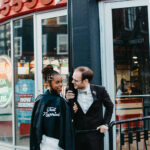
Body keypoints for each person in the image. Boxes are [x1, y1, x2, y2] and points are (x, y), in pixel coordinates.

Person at [66, 66, 114, 150]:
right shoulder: (70, 90)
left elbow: (110, 106)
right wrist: (66, 101)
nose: (72, 82)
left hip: (95, 135)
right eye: (72, 79)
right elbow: (67, 111)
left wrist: (105, 124)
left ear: (86, 81)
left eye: (76, 80)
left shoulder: (100, 90)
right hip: (77, 134)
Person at [30, 65, 75, 150]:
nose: (61, 85)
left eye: (62, 82)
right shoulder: (41, 100)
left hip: (59, 144)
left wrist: (69, 104)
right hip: (45, 143)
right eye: (57, 82)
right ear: (48, 83)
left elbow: (67, 122)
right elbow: (36, 125)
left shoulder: (62, 101)